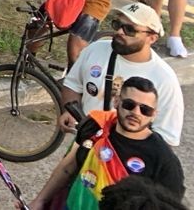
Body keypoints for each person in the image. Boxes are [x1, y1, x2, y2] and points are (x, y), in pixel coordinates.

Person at [36, 76, 186, 209]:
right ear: (116, 102)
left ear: (154, 115)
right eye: (129, 104)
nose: (136, 112)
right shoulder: (96, 125)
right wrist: (39, 201)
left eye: (145, 110)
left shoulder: (163, 159)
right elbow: (68, 167)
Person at [61, 2, 185, 146]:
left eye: (130, 29)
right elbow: (73, 85)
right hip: (86, 144)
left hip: (125, 160)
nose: (120, 32)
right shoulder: (95, 50)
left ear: (151, 38)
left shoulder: (164, 79)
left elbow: (166, 136)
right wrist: (70, 112)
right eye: (117, 25)